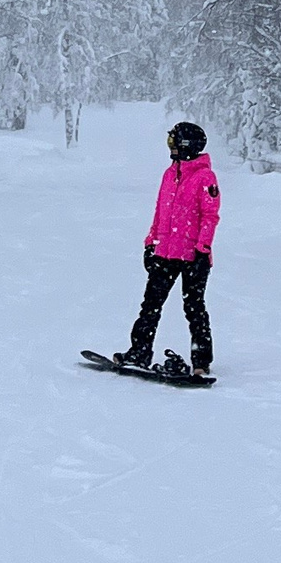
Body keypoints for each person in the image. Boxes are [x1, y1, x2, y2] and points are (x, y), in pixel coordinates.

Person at [124, 119, 220, 377]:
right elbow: (160, 212)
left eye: (174, 142)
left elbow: (210, 216)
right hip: (165, 252)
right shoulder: (170, 174)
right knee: (150, 305)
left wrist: (202, 249)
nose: (171, 147)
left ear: (188, 145)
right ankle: (139, 353)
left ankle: (201, 362)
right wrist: (150, 243)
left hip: (193, 256)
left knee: (194, 307)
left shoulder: (205, 177)